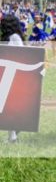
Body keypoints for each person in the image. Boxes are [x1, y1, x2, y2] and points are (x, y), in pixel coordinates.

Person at [2, 14, 25, 143]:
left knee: (8, 106)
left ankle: (14, 134)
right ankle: (13, 135)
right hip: (7, 73)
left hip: (12, 74)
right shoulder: (9, 37)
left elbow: (19, 54)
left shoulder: (14, 38)